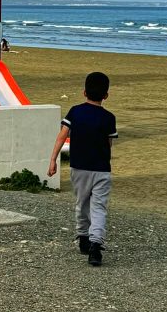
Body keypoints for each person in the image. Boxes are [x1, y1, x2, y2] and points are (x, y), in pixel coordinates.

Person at [48, 72, 118, 266]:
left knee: (82, 203)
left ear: (84, 92)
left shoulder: (75, 112)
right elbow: (109, 143)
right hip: (101, 169)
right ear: (106, 95)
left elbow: (62, 136)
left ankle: (83, 237)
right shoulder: (109, 118)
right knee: (99, 207)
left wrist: (53, 160)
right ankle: (96, 245)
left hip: (79, 167)